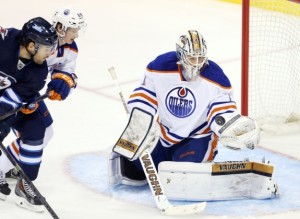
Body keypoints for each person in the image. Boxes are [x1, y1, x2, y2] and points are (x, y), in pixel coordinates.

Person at [108, 30, 267, 200]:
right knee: (134, 165)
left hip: (198, 136)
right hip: (164, 134)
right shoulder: (159, 67)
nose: (197, 64)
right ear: (181, 55)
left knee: (182, 178)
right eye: (192, 58)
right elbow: (146, 93)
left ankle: (202, 162)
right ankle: (169, 160)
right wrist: (140, 118)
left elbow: (221, 111)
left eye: (201, 58)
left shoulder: (216, 77)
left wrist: (230, 128)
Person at [1, 7, 86, 209]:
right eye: (73, 29)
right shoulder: (12, 41)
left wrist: (63, 81)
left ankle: (17, 174)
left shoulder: (53, 60)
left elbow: (67, 72)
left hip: (25, 90)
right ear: (59, 27)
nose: (76, 35)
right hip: (17, 85)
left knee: (42, 130)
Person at [0, 17, 58, 210]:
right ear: (32, 45)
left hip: (7, 104)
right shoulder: (4, 41)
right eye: (47, 47)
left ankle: (25, 184)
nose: (50, 53)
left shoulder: (39, 72)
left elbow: (12, 101)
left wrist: (3, 122)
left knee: (36, 127)